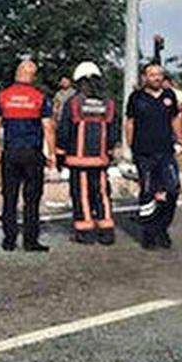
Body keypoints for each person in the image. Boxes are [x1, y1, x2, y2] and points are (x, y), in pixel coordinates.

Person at [0, 59, 56, 252]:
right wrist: (52, 153)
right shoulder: (40, 98)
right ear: (32, 76)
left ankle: (9, 240)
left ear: (17, 73)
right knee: (32, 198)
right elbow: (48, 128)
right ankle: (30, 241)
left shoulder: (2, 97)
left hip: (10, 152)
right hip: (32, 153)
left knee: (9, 197)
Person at [57, 61, 119, 245]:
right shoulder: (108, 103)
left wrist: (60, 154)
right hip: (100, 159)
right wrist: (109, 150)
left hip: (78, 158)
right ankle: (107, 231)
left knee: (81, 193)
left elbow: (64, 130)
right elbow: (114, 129)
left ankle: (85, 232)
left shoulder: (74, 102)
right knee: (102, 193)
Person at [125, 62, 182, 250]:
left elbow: (175, 118)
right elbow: (130, 123)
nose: (156, 78)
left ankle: (162, 228)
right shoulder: (136, 97)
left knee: (172, 189)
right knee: (148, 192)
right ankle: (149, 233)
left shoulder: (169, 95)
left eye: (159, 74)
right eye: (152, 74)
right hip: (144, 153)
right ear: (145, 77)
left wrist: (180, 140)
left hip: (166, 151)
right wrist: (130, 148)